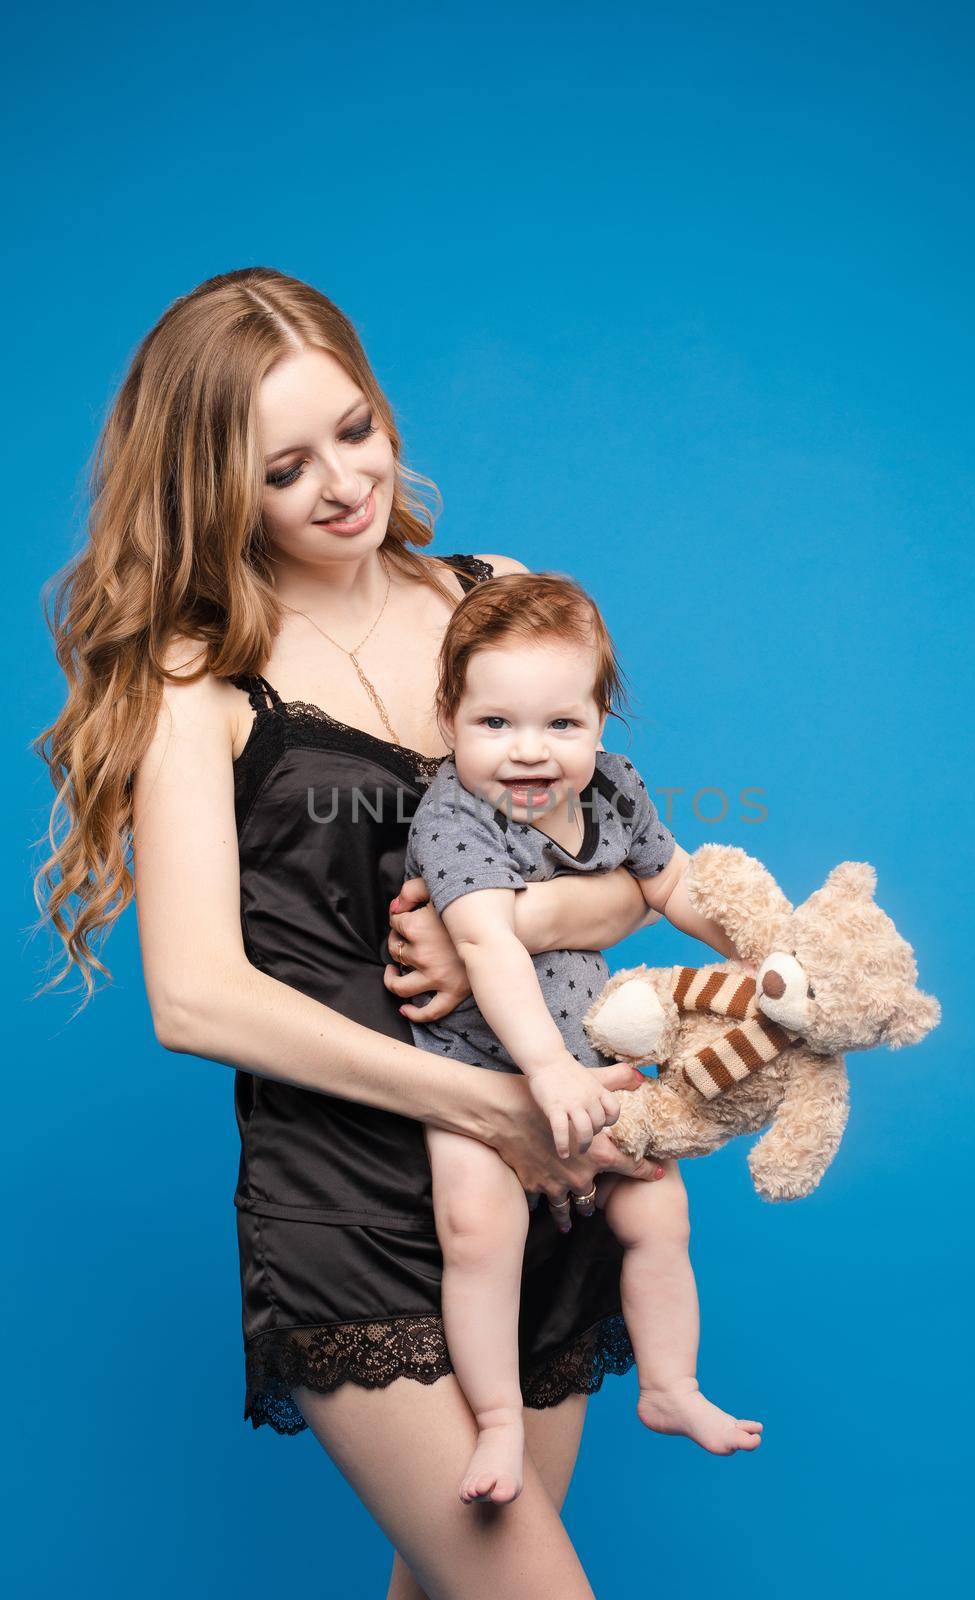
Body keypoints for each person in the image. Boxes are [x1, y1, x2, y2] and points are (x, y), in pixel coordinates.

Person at [32, 267, 672, 1599]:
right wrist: (482, 1100)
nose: (340, 482)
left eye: (355, 430)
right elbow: (195, 999)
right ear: (216, 486)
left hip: (542, 1179)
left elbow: (636, 868)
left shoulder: (495, 597)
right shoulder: (194, 680)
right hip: (348, 1205)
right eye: (283, 467)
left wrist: (510, 924)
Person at [405, 570, 763, 1505]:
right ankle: (493, 1423)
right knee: (477, 1232)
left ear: (601, 723)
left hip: (592, 1060)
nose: (529, 754)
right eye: (495, 725)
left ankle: (669, 1385)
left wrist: (770, 956)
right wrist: (545, 1070)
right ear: (448, 720)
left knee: (658, 1213)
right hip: (479, 1069)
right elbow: (486, 944)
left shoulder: (613, 790)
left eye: (560, 725)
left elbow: (673, 882)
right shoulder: (452, 818)